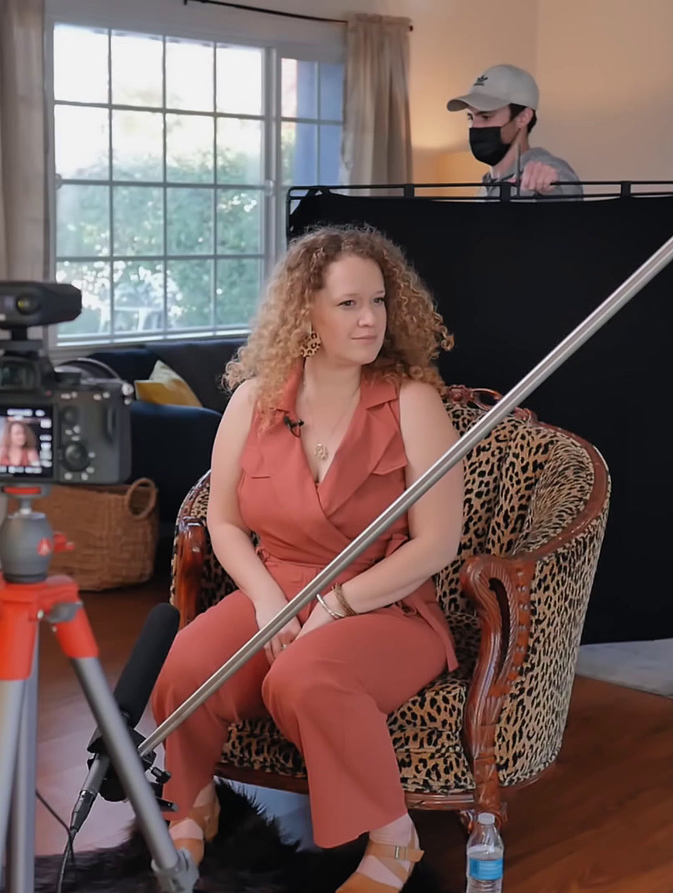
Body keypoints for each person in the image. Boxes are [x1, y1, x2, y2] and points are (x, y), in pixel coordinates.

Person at [148, 224, 465, 892]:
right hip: (276, 586)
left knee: (306, 677)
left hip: (387, 602)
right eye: (350, 303)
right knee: (184, 667)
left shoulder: (413, 402)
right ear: (306, 312)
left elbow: (437, 543)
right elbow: (225, 521)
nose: (371, 317)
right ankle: (194, 802)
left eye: (379, 300)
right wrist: (266, 602)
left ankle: (393, 837)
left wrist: (335, 605)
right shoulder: (254, 401)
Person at [448, 63, 582, 198]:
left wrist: (551, 191)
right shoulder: (487, 186)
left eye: (486, 117)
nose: (474, 126)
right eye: (470, 117)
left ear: (523, 118)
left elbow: (572, 206)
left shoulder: (547, 171)